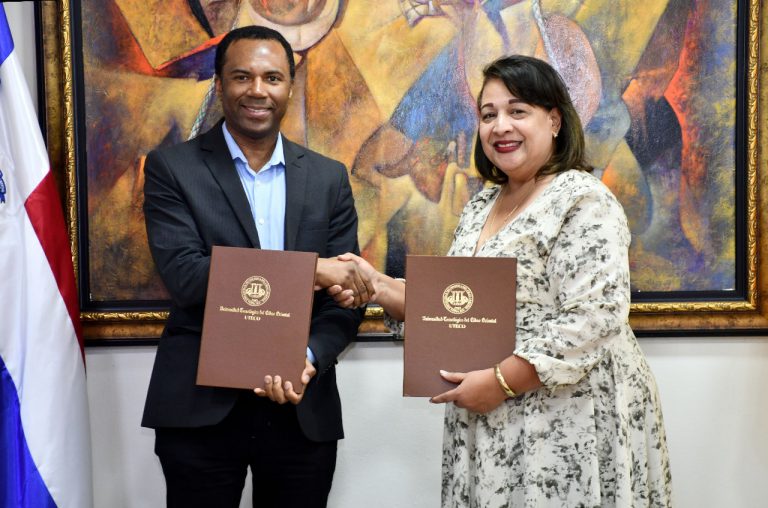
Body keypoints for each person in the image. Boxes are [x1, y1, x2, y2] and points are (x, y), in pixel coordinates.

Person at [327, 55, 673, 506]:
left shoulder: (584, 199)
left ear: (554, 120)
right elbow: (455, 305)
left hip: (568, 420)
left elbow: (593, 319)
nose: (500, 126)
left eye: (517, 111)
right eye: (488, 115)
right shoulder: (481, 205)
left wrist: (501, 383)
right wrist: (377, 285)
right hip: (490, 413)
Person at [141, 25, 369, 508]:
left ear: (290, 85)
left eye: (272, 77)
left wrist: (307, 358)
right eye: (242, 76)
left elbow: (346, 299)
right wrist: (312, 271)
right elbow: (187, 278)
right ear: (220, 83)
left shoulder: (328, 178)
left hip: (300, 405)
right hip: (200, 406)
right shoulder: (171, 169)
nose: (257, 91)